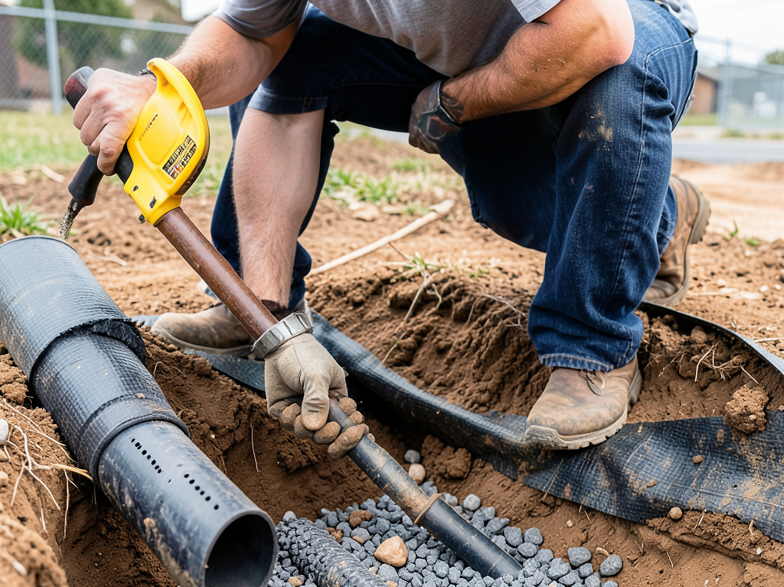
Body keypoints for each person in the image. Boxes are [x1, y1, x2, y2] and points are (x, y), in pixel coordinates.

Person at [72, 0, 708, 454]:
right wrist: (163, 86)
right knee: (299, 56)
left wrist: (454, 102)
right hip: (464, 46)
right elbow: (253, 38)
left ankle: (593, 346)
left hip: (609, 26)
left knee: (618, 92)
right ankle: (254, 303)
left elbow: (594, 31)